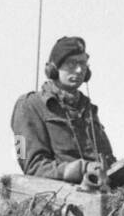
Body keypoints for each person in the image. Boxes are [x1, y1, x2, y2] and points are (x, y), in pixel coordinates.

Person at [10, 36, 115, 183]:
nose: (79, 70)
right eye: (72, 64)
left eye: (83, 64)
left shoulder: (88, 109)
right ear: (54, 68)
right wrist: (81, 169)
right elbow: (33, 166)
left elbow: (108, 159)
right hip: (57, 196)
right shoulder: (30, 105)